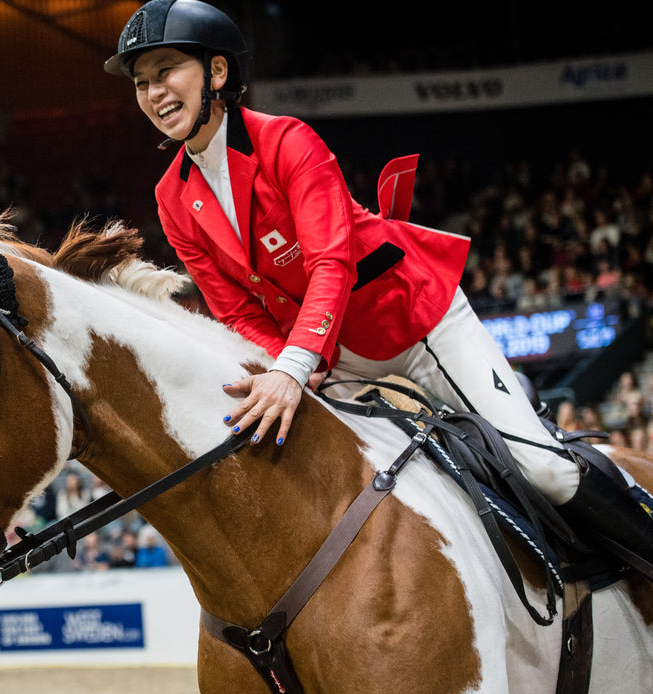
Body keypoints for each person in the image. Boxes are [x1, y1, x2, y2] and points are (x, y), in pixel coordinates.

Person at [104, 0, 653, 571]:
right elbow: (236, 312)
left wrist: (291, 368)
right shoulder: (172, 198)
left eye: (166, 71)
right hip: (331, 359)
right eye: (142, 82)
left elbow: (331, 266)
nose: (153, 92)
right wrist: (294, 364)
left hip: (413, 322)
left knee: (545, 470)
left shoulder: (288, 141)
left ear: (217, 73)